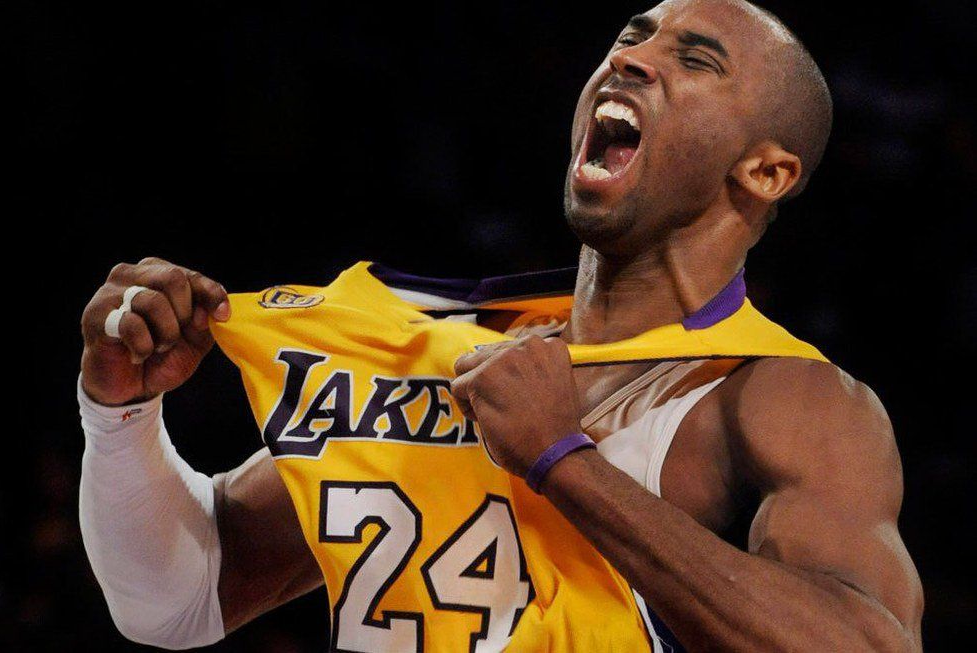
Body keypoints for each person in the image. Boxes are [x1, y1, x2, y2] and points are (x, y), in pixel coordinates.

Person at [77, 0, 923, 650]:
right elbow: (177, 602)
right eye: (631, 36)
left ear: (766, 172)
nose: (630, 57)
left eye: (694, 59)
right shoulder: (442, 356)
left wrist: (563, 461)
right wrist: (120, 416)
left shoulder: (785, 396)